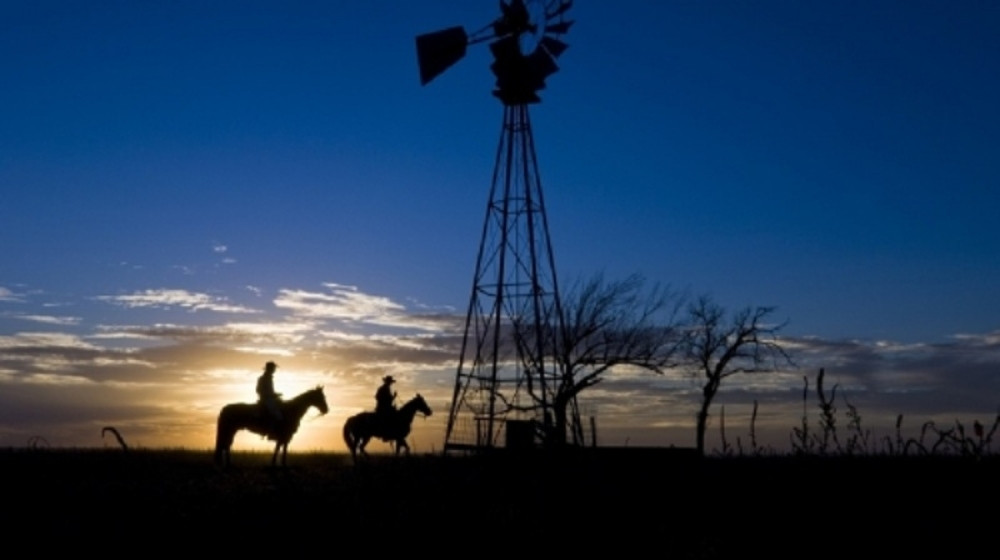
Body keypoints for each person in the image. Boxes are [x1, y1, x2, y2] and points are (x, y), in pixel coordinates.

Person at [256, 361, 283, 429]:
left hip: (270, 398)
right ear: (269, 369)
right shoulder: (263, 378)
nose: (274, 370)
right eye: (273, 368)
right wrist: (272, 395)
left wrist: (275, 394)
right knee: (277, 415)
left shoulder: (268, 378)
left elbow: (269, 391)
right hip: (266, 399)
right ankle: (272, 428)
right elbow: (259, 390)